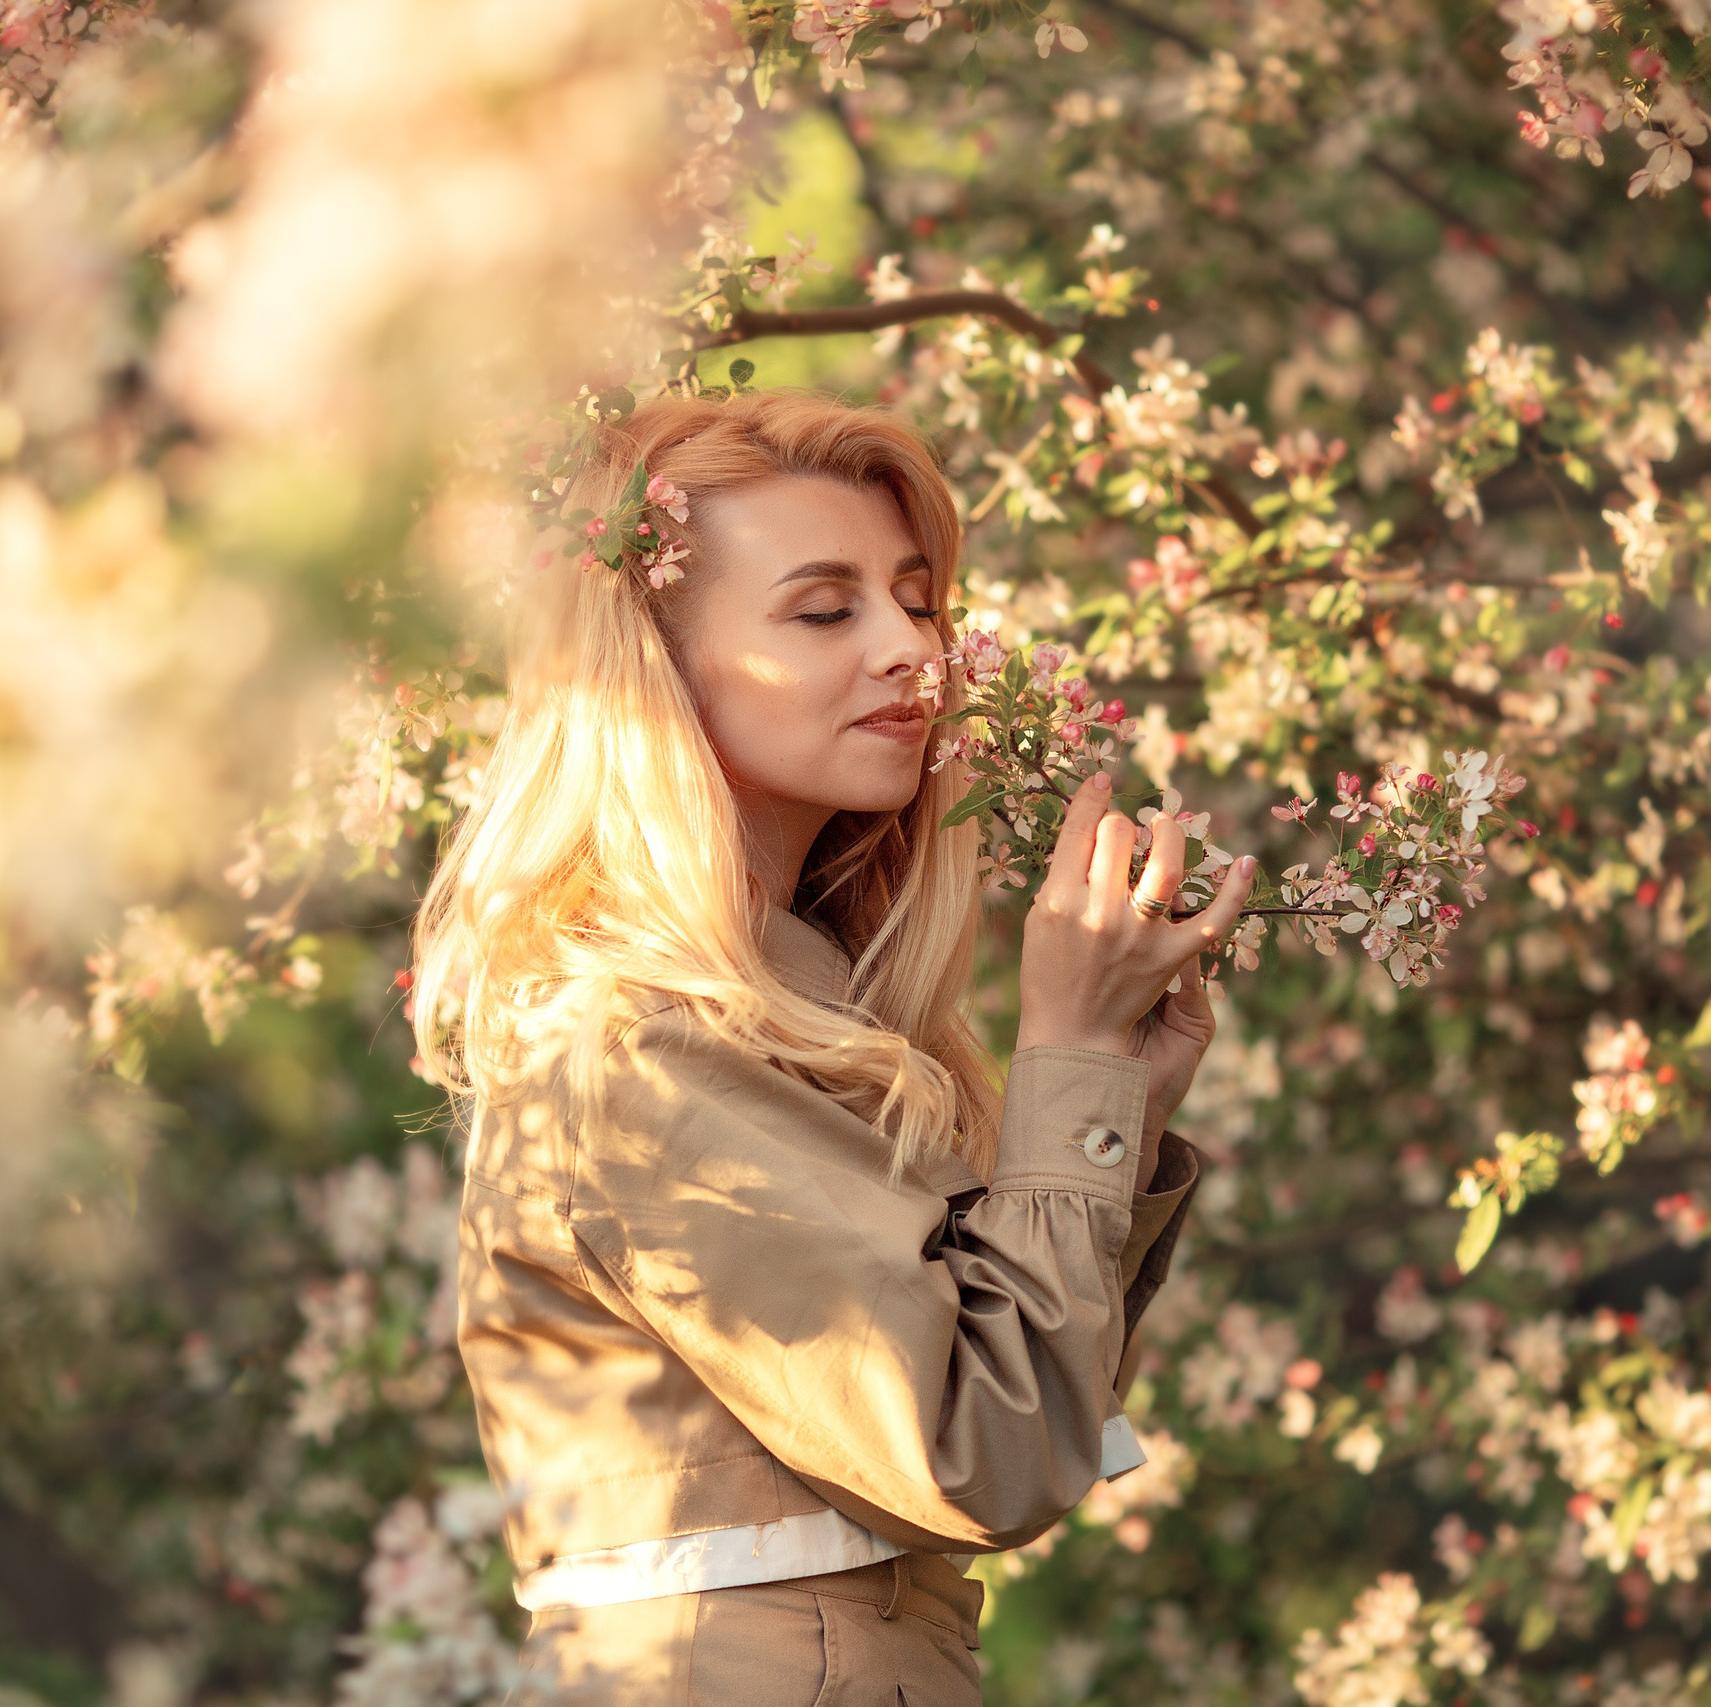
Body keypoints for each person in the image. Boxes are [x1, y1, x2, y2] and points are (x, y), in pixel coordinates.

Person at [412, 391, 1254, 1702]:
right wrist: (1072, 1059)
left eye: (917, 599)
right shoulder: (631, 1041)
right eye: (823, 610)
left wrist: (1113, 1105)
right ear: (655, 666)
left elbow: (1023, 1404)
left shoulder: (779, 1014)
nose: (911, 649)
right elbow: (986, 1451)